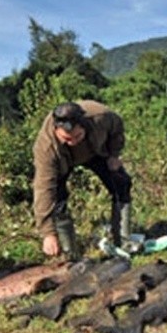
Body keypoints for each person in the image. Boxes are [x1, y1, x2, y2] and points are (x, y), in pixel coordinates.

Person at [32, 100, 132, 260]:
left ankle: (123, 241)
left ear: (84, 125)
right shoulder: (46, 148)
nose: (73, 142)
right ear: (56, 130)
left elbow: (117, 129)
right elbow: (43, 188)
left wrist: (114, 154)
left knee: (121, 182)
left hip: (96, 152)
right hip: (63, 161)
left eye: (77, 136)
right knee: (58, 201)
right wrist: (48, 233)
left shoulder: (101, 116)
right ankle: (69, 254)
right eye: (67, 138)